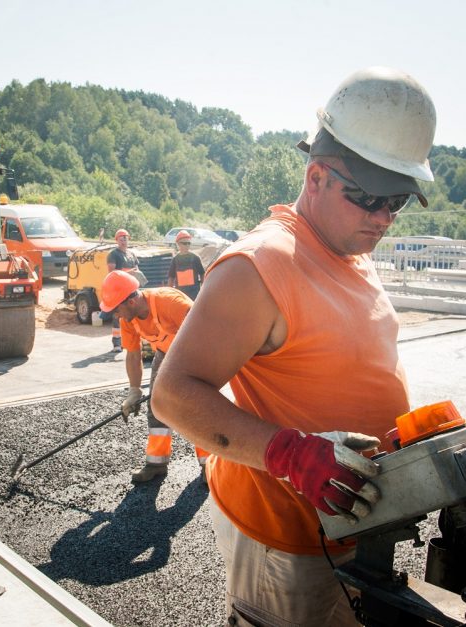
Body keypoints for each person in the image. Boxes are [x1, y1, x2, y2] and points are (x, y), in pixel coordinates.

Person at [151, 67, 437, 626]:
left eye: (396, 202)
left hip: (353, 520)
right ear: (316, 177)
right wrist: (295, 456)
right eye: (367, 199)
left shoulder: (348, 247)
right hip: (284, 535)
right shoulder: (261, 264)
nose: (382, 218)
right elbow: (173, 395)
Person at [99, 271, 208, 483]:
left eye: (117, 309)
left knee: (198, 407)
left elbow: (203, 335)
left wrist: (181, 376)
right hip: (166, 353)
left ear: (131, 301)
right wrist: (134, 390)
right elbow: (133, 353)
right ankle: (156, 463)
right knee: (157, 405)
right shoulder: (128, 319)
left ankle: (209, 466)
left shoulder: (170, 302)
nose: (116, 315)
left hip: (196, 353)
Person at [106, 228, 139, 352]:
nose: (124, 240)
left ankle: (129, 341)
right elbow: (112, 272)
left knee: (132, 315)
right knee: (118, 316)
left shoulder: (131, 255)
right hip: (119, 291)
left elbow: (137, 269)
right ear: (117, 240)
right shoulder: (113, 254)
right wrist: (129, 273)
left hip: (131, 290)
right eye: (121, 238)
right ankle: (117, 344)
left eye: (125, 238)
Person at [166, 231, 205, 301]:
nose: (187, 245)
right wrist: (169, 294)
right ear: (178, 244)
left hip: (194, 294)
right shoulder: (175, 260)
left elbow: (202, 274)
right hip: (181, 294)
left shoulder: (195, 258)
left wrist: (204, 290)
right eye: (184, 243)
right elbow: (171, 278)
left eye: (188, 243)